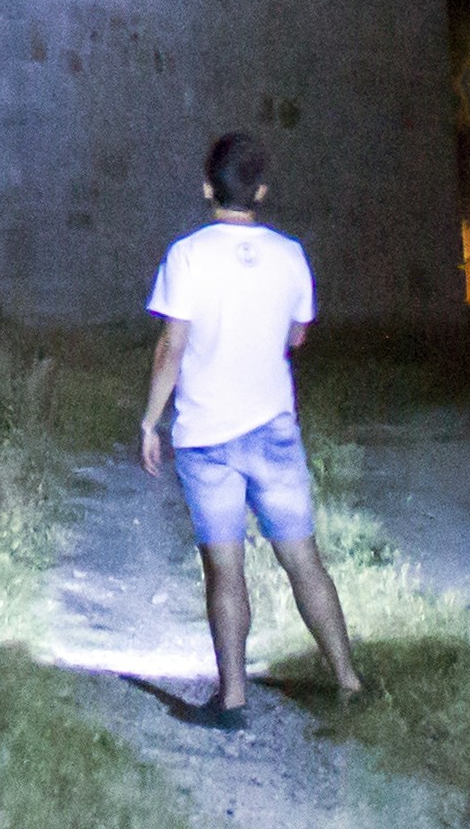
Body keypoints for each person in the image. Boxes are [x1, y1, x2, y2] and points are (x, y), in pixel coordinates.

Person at [136, 130, 363, 731]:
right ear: (260, 190)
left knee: (224, 569)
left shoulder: (186, 255)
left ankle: (233, 700)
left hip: (206, 438)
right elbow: (297, 334)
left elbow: (171, 348)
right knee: (304, 561)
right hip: (273, 430)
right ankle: (348, 682)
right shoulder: (291, 255)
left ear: (206, 187)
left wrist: (151, 420)